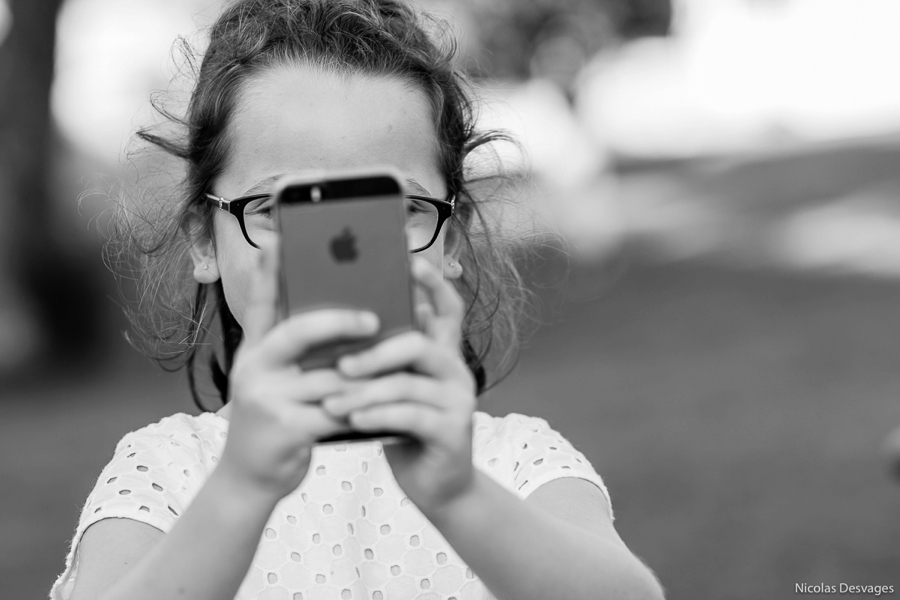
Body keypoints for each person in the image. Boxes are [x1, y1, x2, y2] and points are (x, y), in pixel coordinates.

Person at [51, 1, 664, 599]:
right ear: (203, 239)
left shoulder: (518, 464)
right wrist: (239, 489)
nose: (332, 250)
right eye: (276, 209)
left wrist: (459, 495)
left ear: (448, 238)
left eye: (391, 210)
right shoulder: (163, 474)